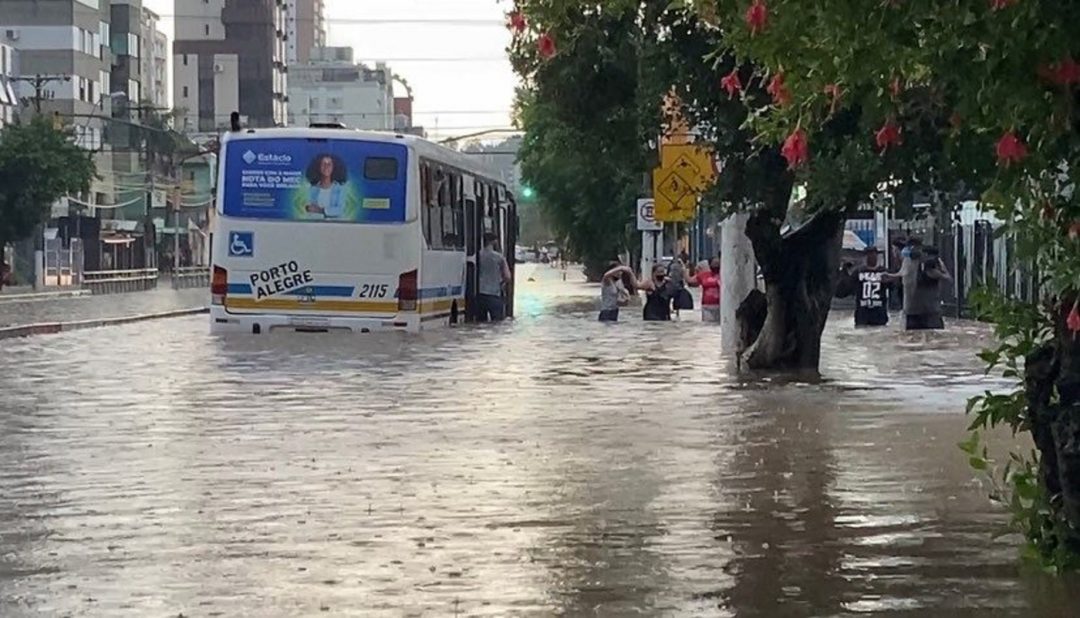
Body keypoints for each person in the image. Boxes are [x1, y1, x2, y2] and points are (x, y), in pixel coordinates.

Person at [837, 247, 889, 326]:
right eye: (869, 254)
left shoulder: (884, 272)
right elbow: (844, 290)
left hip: (879, 316)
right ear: (865, 257)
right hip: (863, 316)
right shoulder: (858, 272)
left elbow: (895, 287)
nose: (871, 257)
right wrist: (844, 272)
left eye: (873, 254)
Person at [477, 232, 512, 322]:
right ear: (494, 242)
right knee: (496, 325)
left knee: (480, 324)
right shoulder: (499, 257)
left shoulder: (477, 256)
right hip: (494, 295)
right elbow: (508, 277)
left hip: (480, 296)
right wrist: (501, 283)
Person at [304, 154, 348, 219]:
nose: (326, 167)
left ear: (334, 167)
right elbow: (309, 208)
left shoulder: (340, 188)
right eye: (323, 164)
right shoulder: (313, 189)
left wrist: (321, 210)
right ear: (318, 167)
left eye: (329, 164)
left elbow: (340, 210)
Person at [687, 258, 721, 322]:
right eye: (714, 263)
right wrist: (685, 270)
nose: (716, 265)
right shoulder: (704, 275)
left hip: (720, 306)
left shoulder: (724, 274)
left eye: (718, 263)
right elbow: (690, 282)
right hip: (706, 306)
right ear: (710, 264)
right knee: (707, 326)